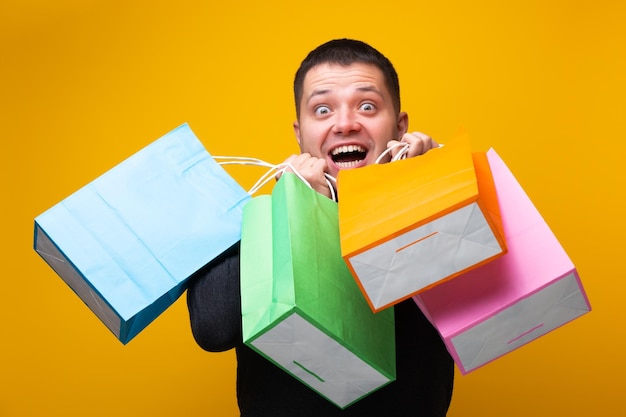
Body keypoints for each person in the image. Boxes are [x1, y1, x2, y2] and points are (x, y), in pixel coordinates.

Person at [187, 38, 454, 416]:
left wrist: (428, 191)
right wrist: (290, 209)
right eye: (323, 109)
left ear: (400, 126)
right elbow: (213, 329)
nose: (345, 124)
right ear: (300, 133)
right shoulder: (260, 217)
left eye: (367, 106)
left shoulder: (436, 203)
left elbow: (489, 305)